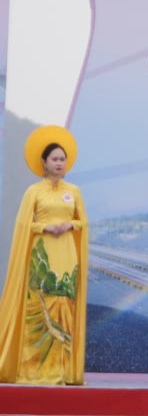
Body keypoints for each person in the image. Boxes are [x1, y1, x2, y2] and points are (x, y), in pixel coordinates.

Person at [0, 126, 88, 384]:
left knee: (64, 305)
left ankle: (62, 371)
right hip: (43, 254)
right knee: (40, 304)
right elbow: (23, 224)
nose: (59, 163)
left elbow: (83, 222)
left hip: (67, 252)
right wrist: (44, 227)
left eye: (63, 159)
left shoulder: (74, 191)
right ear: (44, 162)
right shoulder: (34, 191)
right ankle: (35, 369)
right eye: (55, 159)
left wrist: (70, 224)